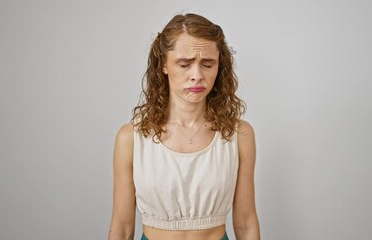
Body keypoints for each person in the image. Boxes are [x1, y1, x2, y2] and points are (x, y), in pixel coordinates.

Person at [108, 13, 260, 240]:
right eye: (184, 64)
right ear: (164, 65)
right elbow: (122, 227)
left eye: (208, 64)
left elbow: (246, 223)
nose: (197, 75)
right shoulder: (131, 138)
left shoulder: (239, 134)